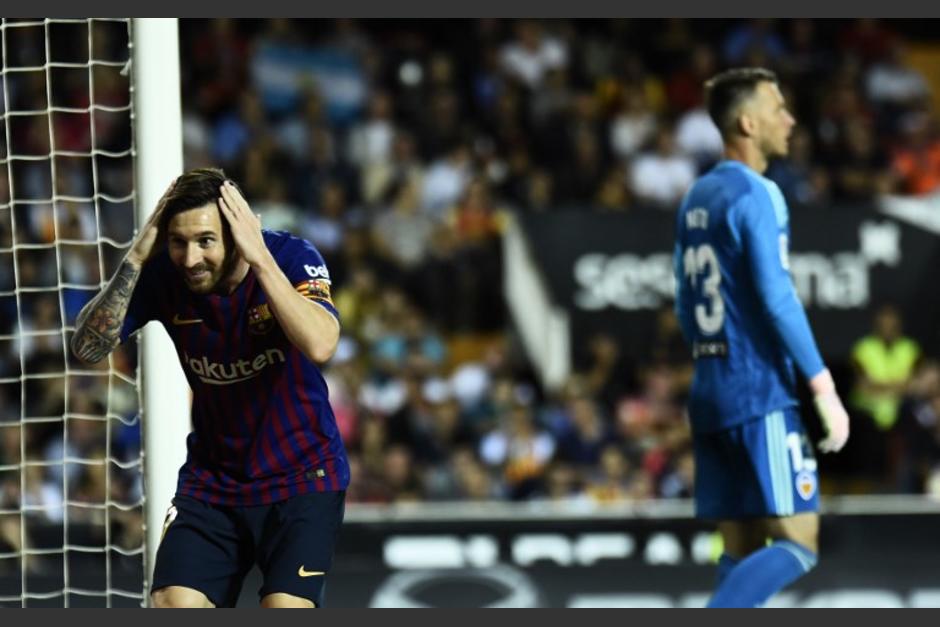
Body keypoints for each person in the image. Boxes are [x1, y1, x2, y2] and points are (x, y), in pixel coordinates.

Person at [70, 168, 348, 608]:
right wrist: (137, 258)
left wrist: (261, 259)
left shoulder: (289, 256)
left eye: (205, 241)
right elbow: (86, 348)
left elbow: (320, 343)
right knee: (172, 604)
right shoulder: (166, 274)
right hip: (214, 483)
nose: (190, 257)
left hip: (302, 477)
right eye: (178, 242)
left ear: (238, 233)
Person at [673, 68, 850, 608]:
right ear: (748, 123)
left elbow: (684, 300)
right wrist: (824, 388)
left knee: (742, 551)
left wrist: (711, 363)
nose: (790, 119)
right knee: (800, 543)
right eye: (778, 108)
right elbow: (777, 298)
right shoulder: (760, 193)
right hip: (759, 394)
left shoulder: (696, 194)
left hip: (709, 392)